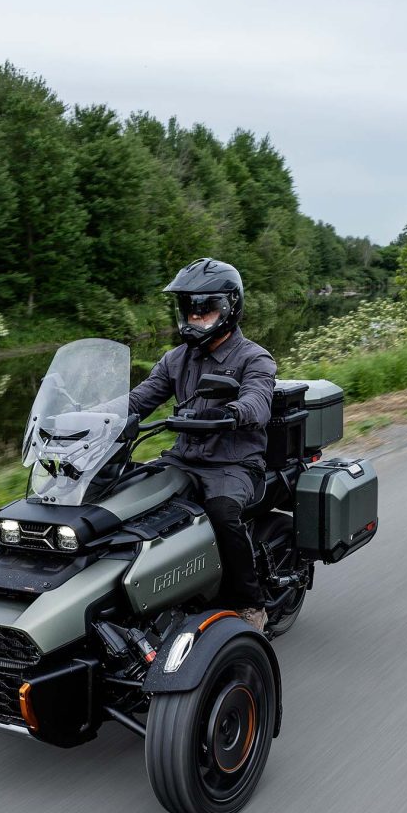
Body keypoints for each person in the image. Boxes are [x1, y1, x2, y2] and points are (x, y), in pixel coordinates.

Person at [129, 258, 276, 632]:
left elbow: (258, 401)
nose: (196, 318)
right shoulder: (176, 359)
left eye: (206, 309)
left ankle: (250, 604)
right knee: (132, 504)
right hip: (183, 459)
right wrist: (91, 417)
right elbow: (139, 400)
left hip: (234, 463)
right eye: (190, 310)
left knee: (223, 513)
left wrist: (230, 412)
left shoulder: (253, 357)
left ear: (229, 308)